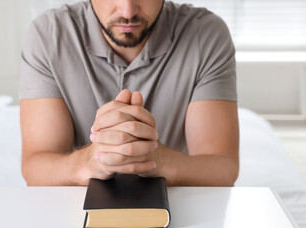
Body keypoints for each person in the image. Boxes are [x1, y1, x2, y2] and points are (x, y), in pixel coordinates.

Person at [19, 0, 239, 186]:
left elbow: (223, 167)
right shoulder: (48, 35)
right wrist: (93, 160)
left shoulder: (205, 34)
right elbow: (35, 167)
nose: (127, 11)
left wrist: (156, 158)